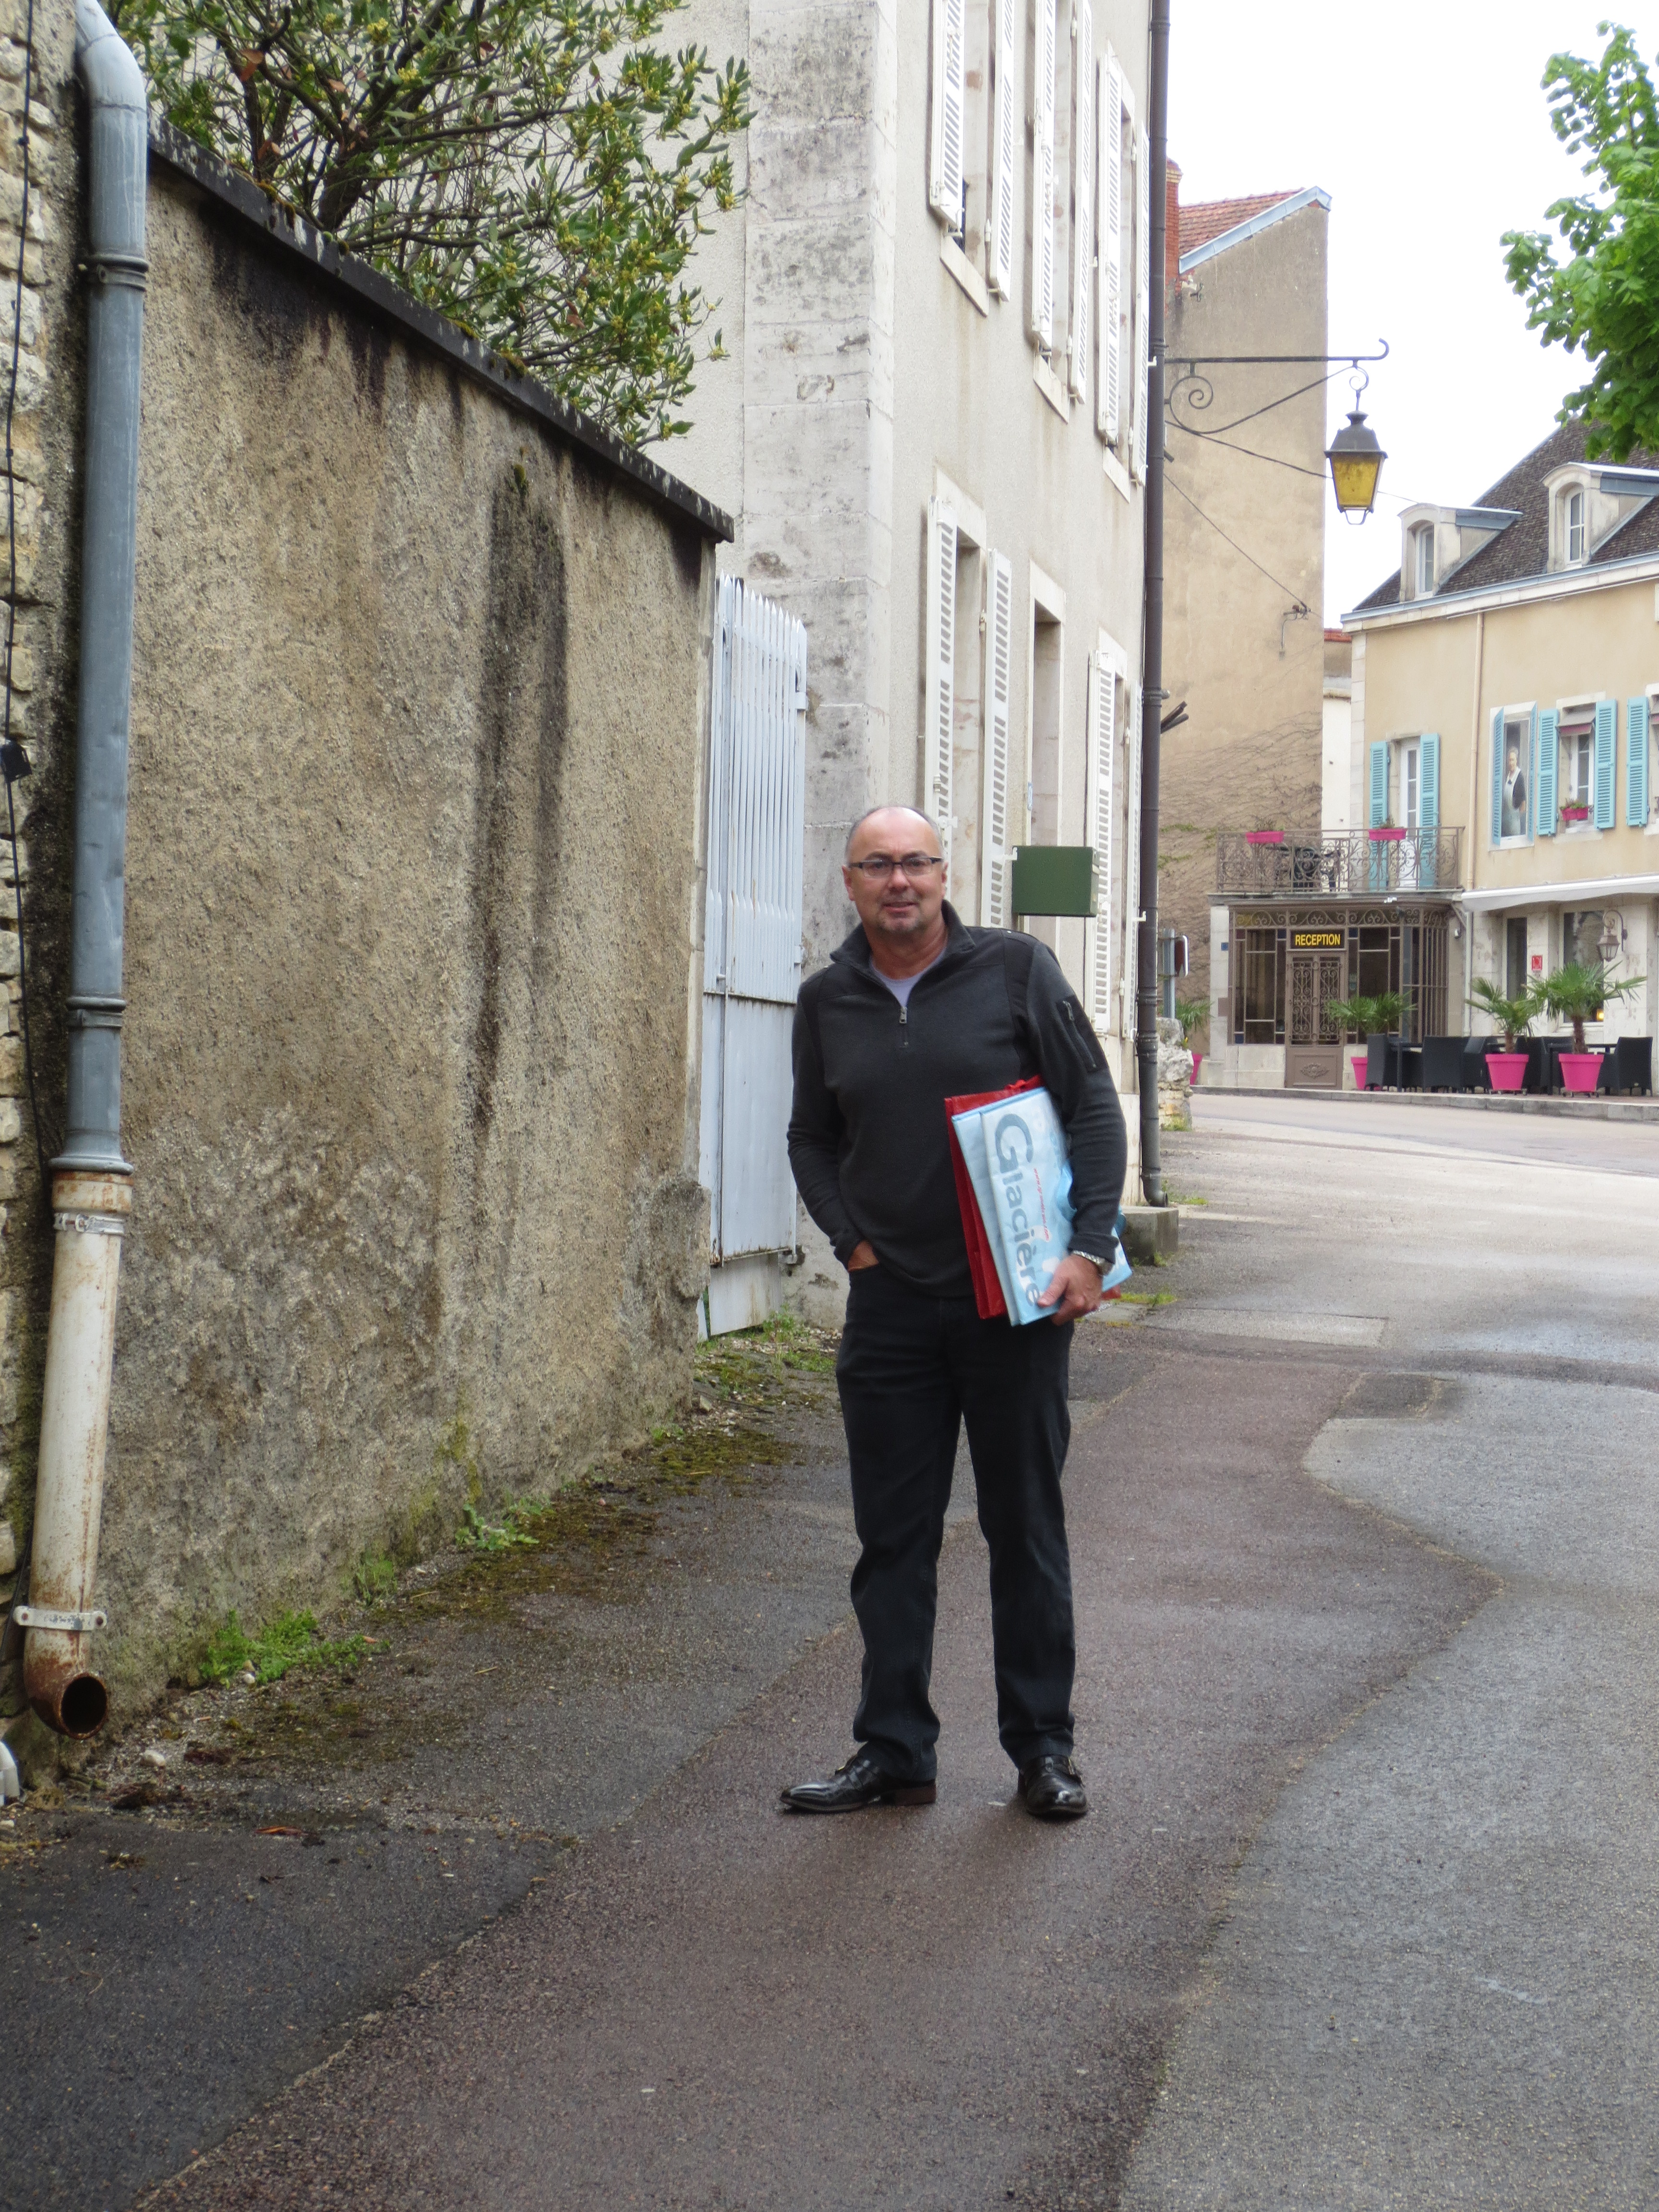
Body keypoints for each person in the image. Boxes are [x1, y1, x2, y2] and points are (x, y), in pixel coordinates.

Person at [782, 805, 1127, 1822]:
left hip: (1014, 1305)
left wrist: (1088, 1250)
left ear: (944, 874)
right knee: (893, 1540)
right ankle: (894, 1750)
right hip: (892, 1309)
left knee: (1026, 1531)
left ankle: (1044, 1751)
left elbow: (1094, 1110)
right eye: (878, 865)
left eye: (916, 863)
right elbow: (810, 1136)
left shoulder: (1017, 972)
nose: (900, 881)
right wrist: (851, 1243)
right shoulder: (827, 999)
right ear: (850, 882)